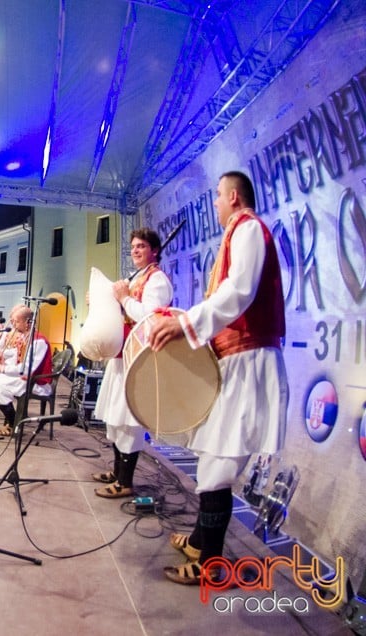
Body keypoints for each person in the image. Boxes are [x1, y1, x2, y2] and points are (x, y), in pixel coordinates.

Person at [147, 171, 287, 585]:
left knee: (216, 471)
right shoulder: (238, 233)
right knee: (211, 460)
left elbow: (240, 290)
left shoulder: (247, 228)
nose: (214, 204)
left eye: (216, 197)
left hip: (249, 360)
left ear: (233, 195)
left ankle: (210, 567)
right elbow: (228, 297)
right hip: (236, 360)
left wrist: (187, 323)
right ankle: (198, 542)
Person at [91, 228, 173, 499]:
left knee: (127, 421)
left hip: (138, 359)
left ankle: (125, 482)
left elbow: (148, 317)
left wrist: (124, 298)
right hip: (122, 356)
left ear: (154, 250)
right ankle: (117, 473)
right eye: (133, 246)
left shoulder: (157, 280)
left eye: (142, 246)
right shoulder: (135, 277)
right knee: (115, 420)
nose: (135, 250)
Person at [0, 304, 52, 437]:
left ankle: (14, 423)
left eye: (16, 321)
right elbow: (16, 353)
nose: (13, 325)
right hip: (24, 378)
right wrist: (1, 355)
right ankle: (8, 421)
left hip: (37, 382)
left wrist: (2, 368)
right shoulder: (26, 336)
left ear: (27, 322)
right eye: (13, 321)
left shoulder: (39, 341)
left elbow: (26, 369)